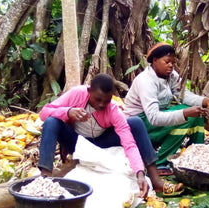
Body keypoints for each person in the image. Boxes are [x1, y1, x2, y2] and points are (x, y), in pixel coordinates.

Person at [37, 73, 182, 197]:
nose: (101, 105)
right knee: (51, 121)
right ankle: (45, 178)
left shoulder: (113, 110)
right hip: (77, 143)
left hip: (101, 142)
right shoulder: (77, 94)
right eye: (97, 99)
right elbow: (44, 112)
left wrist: (139, 172)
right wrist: (68, 112)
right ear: (89, 91)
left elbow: (129, 143)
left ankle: (155, 179)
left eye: (106, 101)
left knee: (136, 123)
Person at [123, 42, 209, 168]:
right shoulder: (146, 81)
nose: (171, 66)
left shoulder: (171, 76)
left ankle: (195, 157)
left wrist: (206, 101)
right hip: (139, 123)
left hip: (155, 120)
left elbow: (184, 95)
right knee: (186, 118)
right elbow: (154, 117)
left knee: (197, 115)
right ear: (155, 60)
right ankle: (160, 163)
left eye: (173, 62)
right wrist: (185, 113)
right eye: (167, 61)